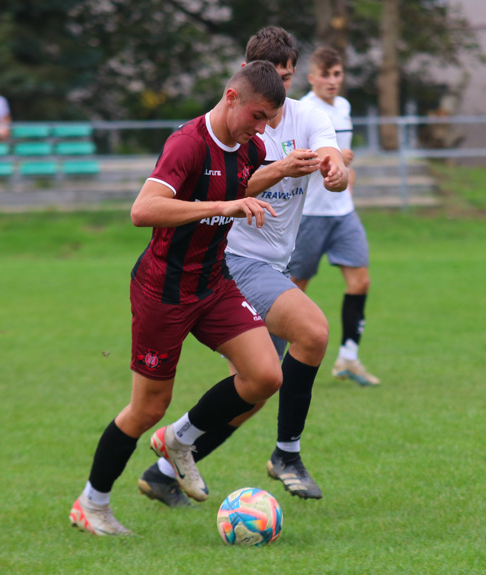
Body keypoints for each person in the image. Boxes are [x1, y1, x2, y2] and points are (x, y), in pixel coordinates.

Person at [68, 61, 288, 536]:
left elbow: (235, 186)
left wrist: (280, 173)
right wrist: (224, 206)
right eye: (258, 114)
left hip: (213, 283)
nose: (263, 126)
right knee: (146, 408)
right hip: (162, 291)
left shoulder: (252, 146)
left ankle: (179, 440)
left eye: (270, 118)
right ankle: (92, 503)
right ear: (232, 97)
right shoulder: (187, 143)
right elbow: (142, 210)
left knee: (267, 373)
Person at [137, 26, 348, 507]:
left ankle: (166, 468)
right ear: (249, 75)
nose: (281, 88)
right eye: (274, 76)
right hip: (232, 259)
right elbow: (226, 188)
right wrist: (280, 169)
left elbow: (332, 155)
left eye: (289, 77)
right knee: (313, 332)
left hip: (275, 264)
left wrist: (336, 172)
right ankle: (287, 454)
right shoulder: (238, 124)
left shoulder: (307, 115)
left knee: (254, 390)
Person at [290, 46, 380, 387]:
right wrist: (331, 156)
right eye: (325, 75)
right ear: (311, 78)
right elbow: (297, 158)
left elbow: (344, 164)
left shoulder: (343, 107)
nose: (332, 81)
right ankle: (258, 350)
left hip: (343, 211)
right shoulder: (303, 110)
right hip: (310, 214)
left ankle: (349, 357)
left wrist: (347, 171)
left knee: (361, 282)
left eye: (337, 74)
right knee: (293, 289)